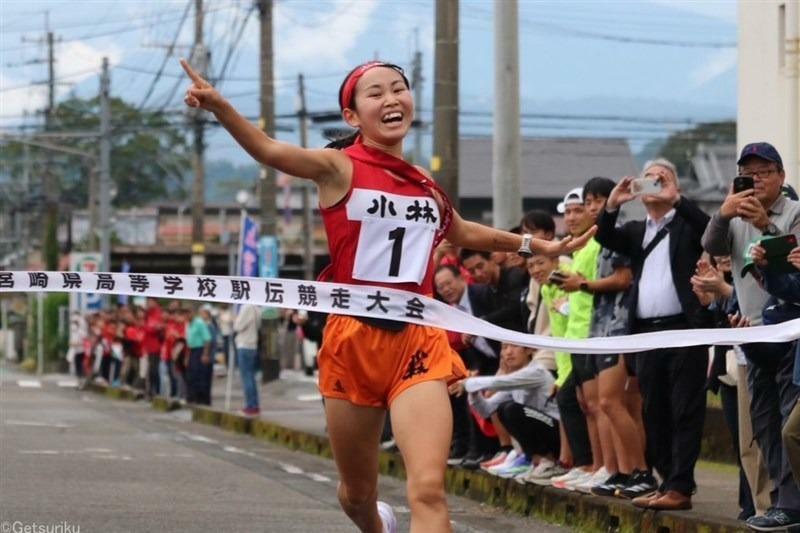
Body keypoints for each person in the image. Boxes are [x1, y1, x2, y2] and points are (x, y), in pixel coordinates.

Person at [181, 58, 595, 533]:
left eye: (399, 89)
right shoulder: (338, 167)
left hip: (417, 342)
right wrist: (219, 106)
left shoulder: (425, 183)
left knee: (428, 489)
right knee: (357, 494)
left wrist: (532, 244)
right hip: (353, 339)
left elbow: (459, 229)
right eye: (375, 93)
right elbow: (270, 150)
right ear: (353, 116)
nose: (392, 99)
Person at [596, 158, 712, 510]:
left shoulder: (687, 226)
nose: (655, 185)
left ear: (676, 186)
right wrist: (612, 205)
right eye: (649, 180)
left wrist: (678, 200)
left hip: (684, 330)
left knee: (685, 409)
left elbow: (712, 232)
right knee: (654, 412)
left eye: (663, 179)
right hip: (646, 334)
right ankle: (665, 482)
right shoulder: (636, 230)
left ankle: (681, 487)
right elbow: (605, 235)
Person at [702, 142, 800, 531]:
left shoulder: (794, 212)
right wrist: (724, 214)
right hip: (751, 332)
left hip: (790, 331)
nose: (755, 180)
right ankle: (778, 499)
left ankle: (791, 505)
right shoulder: (736, 216)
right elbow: (710, 247)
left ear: (781, 176)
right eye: (748, 173)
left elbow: (792, 263)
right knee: (762, 424)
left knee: (788, 420)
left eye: (763, 172)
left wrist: (765, 225)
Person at [234, 304, 261, 416]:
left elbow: (237, 326)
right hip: (252, 344)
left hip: (244, 344)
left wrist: (234, 319)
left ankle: (251, 405)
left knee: (247, 377)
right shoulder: (256, 308)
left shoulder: (246, 307)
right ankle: (254, 404)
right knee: (251, 376)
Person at [186, 306, 213, 406]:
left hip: (200, 350)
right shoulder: (189, 324)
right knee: (191, 376)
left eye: (188, 313)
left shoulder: (199, 323)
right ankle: (193, 398)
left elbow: (207, 339)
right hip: (192, 350)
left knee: (200, 376)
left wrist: (205, 354)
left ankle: (202, 400)